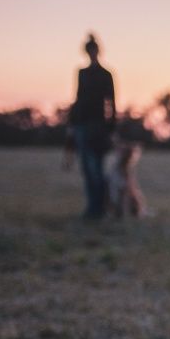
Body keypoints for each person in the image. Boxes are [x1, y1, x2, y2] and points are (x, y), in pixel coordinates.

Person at [67, 33, 116, 220]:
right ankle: (91, 208)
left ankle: (100, 208)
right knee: (87, 169)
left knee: (97, 169)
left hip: (99, 127)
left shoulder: (106, 75)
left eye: (94, 50)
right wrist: (71, 124)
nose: (91, 53)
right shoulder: (82, 73)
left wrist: (111, 128)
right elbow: (77, 98)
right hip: (81, 124)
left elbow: (111, 102)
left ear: (98, 51)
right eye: (89, 50)